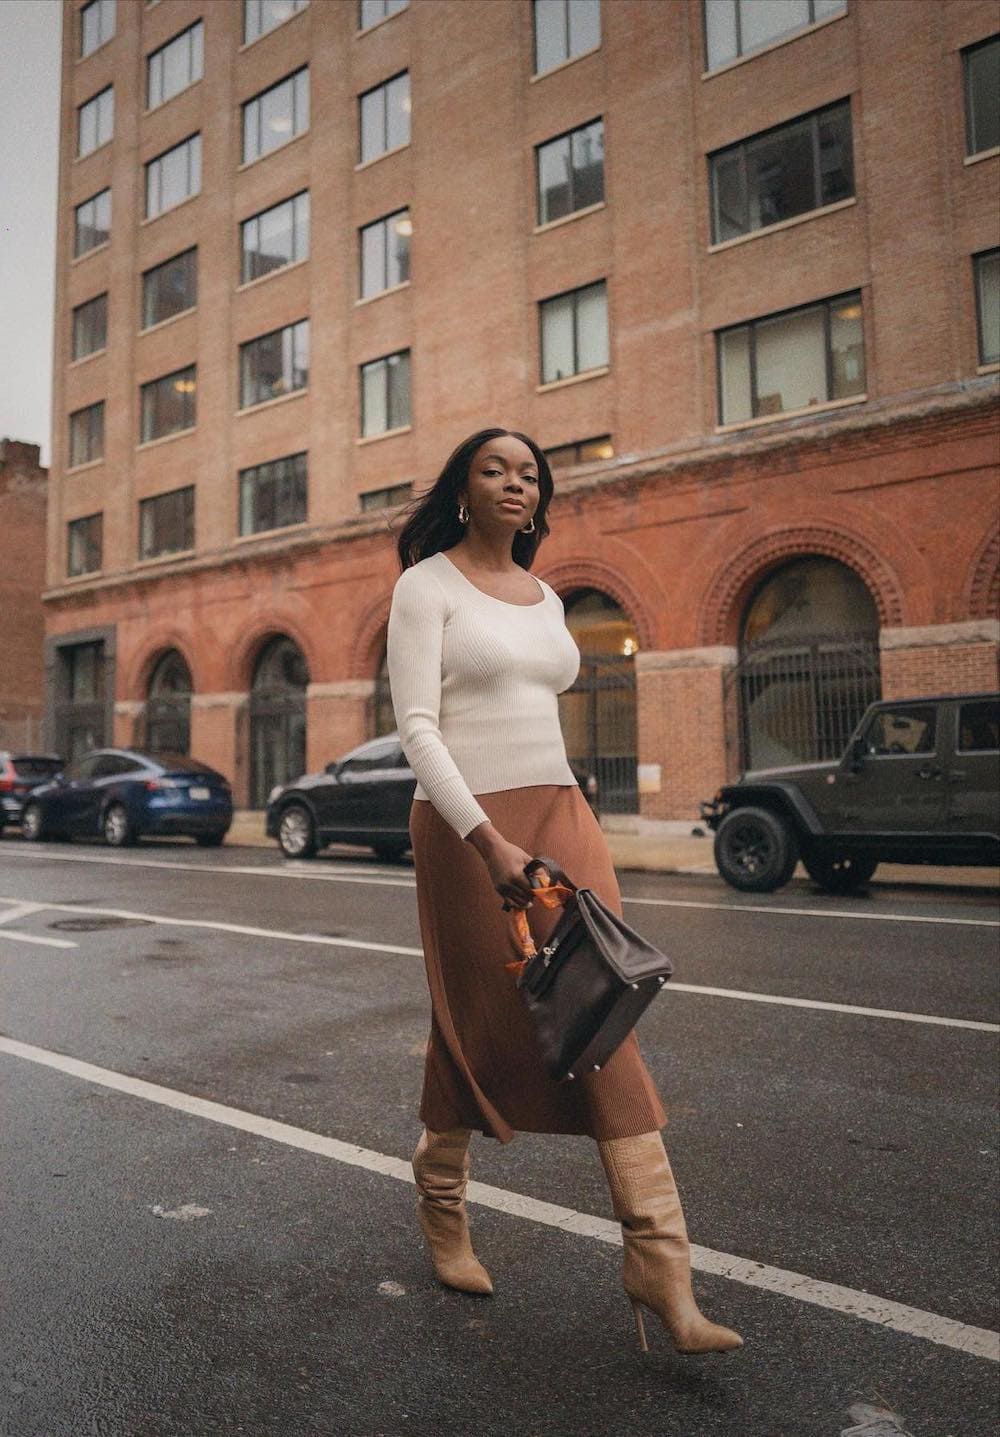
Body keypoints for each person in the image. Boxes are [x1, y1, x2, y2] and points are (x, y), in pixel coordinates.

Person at [387, 427, 742, 1356]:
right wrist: (487, 838)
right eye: (495, 469)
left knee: (599, 1017)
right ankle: (445, 1207)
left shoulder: (546, 596)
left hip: (560, 817)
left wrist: (563, 809)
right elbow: (419, 731)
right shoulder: (425, 587)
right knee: (477, 1017)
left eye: (530, 473)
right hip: (468, 828)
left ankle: (661, 1273)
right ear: (462, 490)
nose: (516, 482)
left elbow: (539, 711)